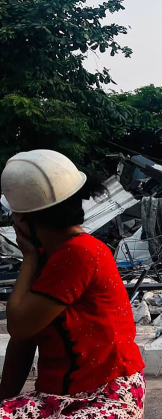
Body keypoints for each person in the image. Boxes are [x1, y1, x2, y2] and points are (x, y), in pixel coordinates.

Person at [0, 150, 145, 418]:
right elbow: (22, 342)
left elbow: (19, 327)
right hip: (59, 398)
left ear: (22, 220)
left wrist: (28, 257)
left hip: (106, 396)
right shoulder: (52, 256)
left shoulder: (79, 254)